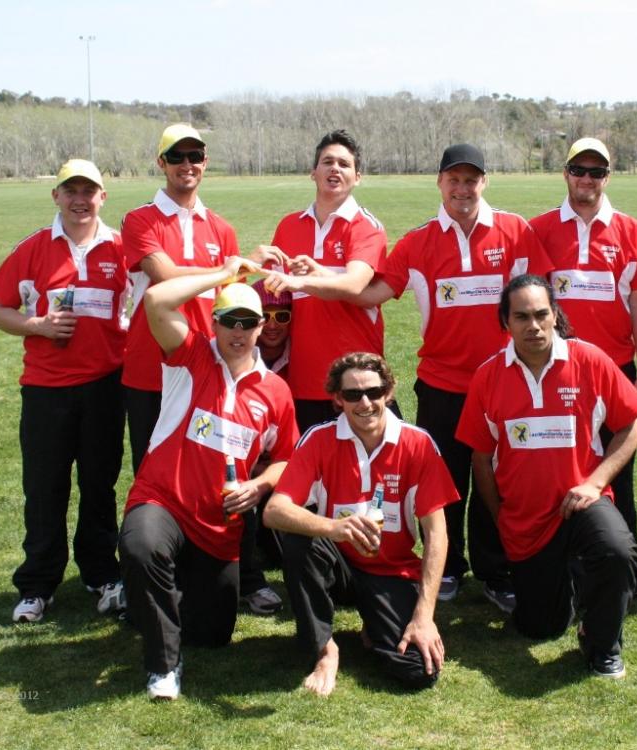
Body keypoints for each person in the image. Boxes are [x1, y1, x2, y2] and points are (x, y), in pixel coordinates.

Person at [341, 144, 552, 611]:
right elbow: (371, 292)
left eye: (471, 180)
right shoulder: (418, 242)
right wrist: (314, 278)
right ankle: (450, 566)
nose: (462, 189)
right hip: (442, 385)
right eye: (454, 180)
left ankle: (496, 571)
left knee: (499, 479)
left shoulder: (515, 231)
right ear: (439, 183)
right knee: (446, 481)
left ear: (484, 183)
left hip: (504, 382)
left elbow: (541, 297)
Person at [119, 258, 299, 700]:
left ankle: (151, 602)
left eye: (248, 322)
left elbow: (287, 459)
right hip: (163, 500)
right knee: (141, 547)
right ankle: (163, 666)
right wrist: (224, 275)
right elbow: (156, 299)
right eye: (229, 321)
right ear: (214, 324)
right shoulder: (190, 356)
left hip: (219, 524)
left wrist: (258, 486)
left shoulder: (276, 391)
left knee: (213, 635)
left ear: (261, 327)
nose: (239, 332)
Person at [456, 274, 637, 678]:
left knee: (616, 551)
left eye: (542, 314)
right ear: (505, 322)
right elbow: (481, 459)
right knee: (539, 628)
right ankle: (570, 582)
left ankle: (601, 643)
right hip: (527, 521)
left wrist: (595, 483)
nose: (534, 326)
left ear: (555, 315)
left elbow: (631, 429)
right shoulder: (488, 376)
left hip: (583, 503)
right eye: (521, 317)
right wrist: (501, 516)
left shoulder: (589, 360)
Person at [263, 352, 458, 696]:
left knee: (417, 670)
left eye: (374, 392)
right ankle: (325, 649)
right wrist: (333, 528)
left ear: (389, 392)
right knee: (298, 539)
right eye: (352, 394)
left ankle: (375, 622)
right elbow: (274, 511)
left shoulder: (418, 443)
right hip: (337, 566)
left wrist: (424, 617)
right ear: (338, 399)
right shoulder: (319, 439)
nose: (365, 403)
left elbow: (437, 534)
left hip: (391, 571)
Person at [0, 159, 128, 623]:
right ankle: (37, 584)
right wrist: (39, 326)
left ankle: (101, 573)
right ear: (56, 196)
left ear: (102, 197)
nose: (80, 200)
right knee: (45, 487)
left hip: (105, 387)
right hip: (45, 390)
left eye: (89, 191)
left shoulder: (121, 248)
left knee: (99, 485)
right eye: (71, 191)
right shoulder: (32, 248)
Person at [529, 137, 637, 594]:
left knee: (619, 470)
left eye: (596, 172)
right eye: (579, 170)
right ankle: (561, 569)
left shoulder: (632, 232)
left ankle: (623, 575)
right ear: (565, 173)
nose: (587, 179)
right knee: (560, 470)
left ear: (608, 177)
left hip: (616, 371)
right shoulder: (540, 229)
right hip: (559, 372)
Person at [121, 123, 240, 473]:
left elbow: (229, 301)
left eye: (195, 156)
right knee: (151, 471)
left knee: (204, 471)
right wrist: (224, 270)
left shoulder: (222, 229)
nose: (187, 164)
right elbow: (165, 274)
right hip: (150, 370)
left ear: (205, 162)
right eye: (176, 156)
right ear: (162, 163)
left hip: (206, 368)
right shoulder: (140, 220)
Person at [256, 130, 388, 432]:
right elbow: (275, 295)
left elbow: (355, 284)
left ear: (358, 177)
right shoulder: (288, 226)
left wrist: (300, 282)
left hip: (355, 380)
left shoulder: (365, 226)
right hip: (301, 380)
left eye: (344, 164)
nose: (335, 169)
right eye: (327, 162)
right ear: (313, 172)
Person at [236, 279, 293, 615]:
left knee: (283, 551)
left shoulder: (303, 357)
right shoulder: (236, 355)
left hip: (282, 465)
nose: (273, 325)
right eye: (265, 316)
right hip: (244, 461)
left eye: (282, 316)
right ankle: (248, 576)